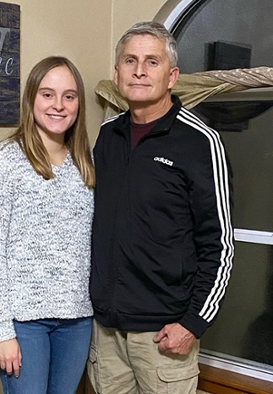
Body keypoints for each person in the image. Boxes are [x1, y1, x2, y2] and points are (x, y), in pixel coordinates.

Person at [88, 21, 234, 394]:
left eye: (151, 62)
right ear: (117, 72)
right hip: (106, 333)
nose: (139, 70)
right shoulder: (108, 136)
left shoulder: (201, 142)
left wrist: (194, 323)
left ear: (171, 76)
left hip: (164, 335)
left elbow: (219, 246)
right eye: (129, 60)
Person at [0, 56, 95, 394]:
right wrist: (1, 331)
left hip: (77, 319)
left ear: (78, 104)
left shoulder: (85, 161)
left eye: (69, 96)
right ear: (31, 99)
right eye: (48, 94)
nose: (58, 105)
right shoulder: (4, 161)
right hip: (23, 323)